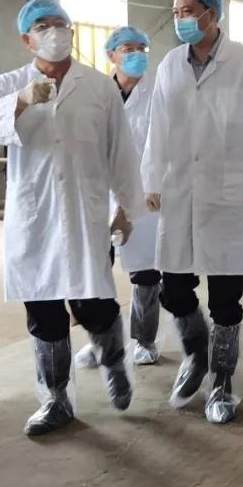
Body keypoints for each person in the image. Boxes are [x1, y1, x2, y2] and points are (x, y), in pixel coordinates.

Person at [0, 0, 144, 436]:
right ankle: (55, 399)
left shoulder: (98, 86)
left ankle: (114, 364)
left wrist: (125, 208)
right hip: (37, 218)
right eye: (43, 26)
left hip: (87, 213)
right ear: (27, 39)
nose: (54, 32)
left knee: (95, 305)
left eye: (60, 24)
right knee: (44, 311)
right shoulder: (10, 84)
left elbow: (121, 151)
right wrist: (22, 101)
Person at [141, 0, 243, 424]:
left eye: (188, 11)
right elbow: (157, 125)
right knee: (174, 288)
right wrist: (151, 179)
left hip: (226, 192)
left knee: (226, 297)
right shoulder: (170, 64)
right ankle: (197, 354)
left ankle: (224, 381)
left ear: (212, 13)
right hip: (180, 189)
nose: (181, 20)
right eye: (176, 12)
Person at [75, 26, 163, 371]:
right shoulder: (94, 92)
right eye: (128, 48)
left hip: (145, 191)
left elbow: (164, 143)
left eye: (141, 48)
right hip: (99, 193)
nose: (136, 54)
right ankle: (102, 341)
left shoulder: (159, 92)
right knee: (97, 268)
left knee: (146, 271)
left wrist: (152, 188)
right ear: (111, 54)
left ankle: (144, 339)